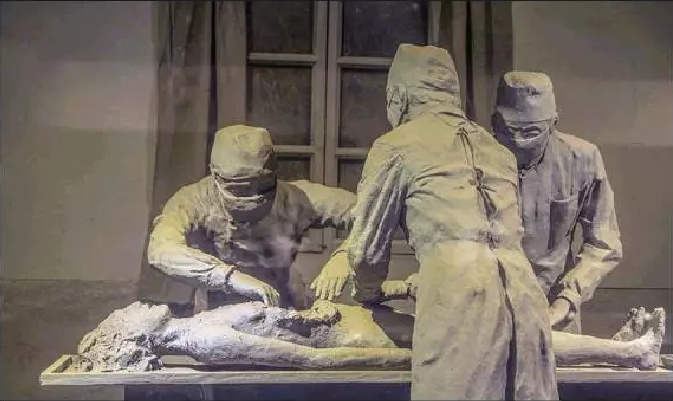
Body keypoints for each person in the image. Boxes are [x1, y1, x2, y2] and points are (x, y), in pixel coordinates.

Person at [313, 44, 558, 400]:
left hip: (459, 298)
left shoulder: (396, 146)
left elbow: (367, 251)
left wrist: (368, 294)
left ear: (399, 97)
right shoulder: (498, 151)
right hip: (526, 298)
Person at [75, 283, 666, 373]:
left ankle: (616, 350)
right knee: (502, 343)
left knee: (502, 337)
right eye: (122, 318)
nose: (131, 307)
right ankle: (630, 353)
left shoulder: (194, 325)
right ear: (132, 337)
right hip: (362, 339)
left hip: (355, 322)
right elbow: (307, 360)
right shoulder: (201, 339)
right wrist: (404, 364)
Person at [145, 124, 355, 310]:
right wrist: (231, 278)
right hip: (218, 312)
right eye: (241, 188)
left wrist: (346, 255)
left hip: (284, 305)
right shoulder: (193, 201)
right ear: (215, 175)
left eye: (263, 185)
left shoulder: (296, 198)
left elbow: (366, 211)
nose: (253, 197)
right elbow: (161, 250)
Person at [491, 71, 623, 333]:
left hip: (555, 306)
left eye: (531, 132)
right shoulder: (475, 159)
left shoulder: (581, 159)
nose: (518, 141)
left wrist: (569, 297)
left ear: (553, 124)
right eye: (509, 130)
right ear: (494, 122)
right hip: (492, 306)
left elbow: (604, 243)